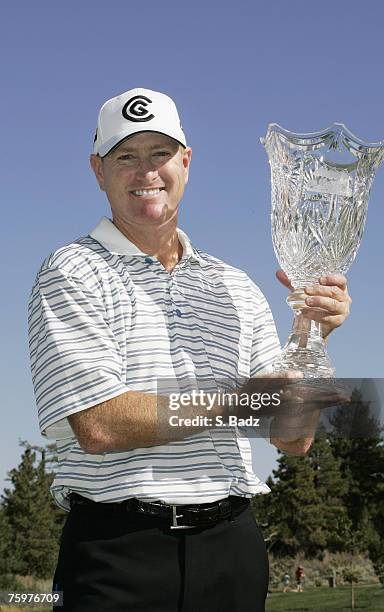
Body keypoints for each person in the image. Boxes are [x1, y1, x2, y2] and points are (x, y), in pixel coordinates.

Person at [28, 87, 352, 612]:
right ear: (98, 171)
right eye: (126, 157)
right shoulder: (71, 271)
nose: (146, 172)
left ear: (186, 161)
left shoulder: (238, 286)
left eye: (160, 154)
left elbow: (292, 438)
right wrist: (242, 402)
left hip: (233, 549)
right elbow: (100, 424)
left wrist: (309, 338)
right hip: (119, 557)